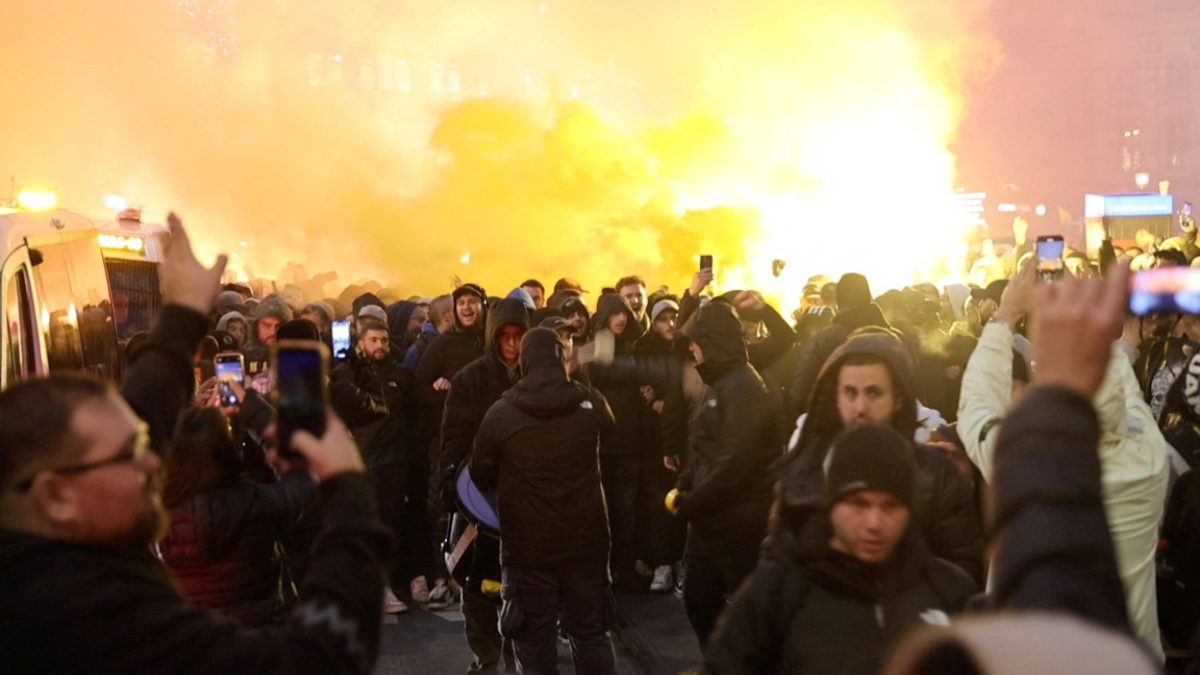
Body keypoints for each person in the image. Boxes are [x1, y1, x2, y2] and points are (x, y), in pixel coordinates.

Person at [0, 213, 390, 673]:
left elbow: (144, 407)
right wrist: (347, 492)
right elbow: (318, 658)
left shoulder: (65, 513)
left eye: (143, 440)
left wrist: (182, 315)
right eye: (130, 454)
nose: (152, 460)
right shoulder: (85, 618)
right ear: (55, 495)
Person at [957, 261, 1168, 657]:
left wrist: (1006, 316)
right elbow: (1128, 397)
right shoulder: (1148, 459)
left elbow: (976, 404)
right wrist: (1107, 342)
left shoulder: (1020, 460)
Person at [703, 424, 975, 675]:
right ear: (831, 503)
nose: (874, 523)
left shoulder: (949, 591)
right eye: (859, 504)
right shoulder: (777, 595)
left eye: (890, 506)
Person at [776, 330, 984, 582]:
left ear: (898, 399)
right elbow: (777, 562)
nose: (860, 407)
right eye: (850, 393)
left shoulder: (935, 473)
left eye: (873, 393)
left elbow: (963, 567)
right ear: (836, 397)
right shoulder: (806, 466)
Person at [472, 328, 617, 675]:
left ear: (524, 361)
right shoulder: (591, 402)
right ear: (559, 358)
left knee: (533, 642)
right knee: (591, 634)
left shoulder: (501, 412)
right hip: (586, 542)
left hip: (527, 549)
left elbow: (480, 472)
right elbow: (612, 445)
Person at [664, 302, 785, 648]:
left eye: (696, 342)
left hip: (737, 523)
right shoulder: (721, 384)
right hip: (711, 520)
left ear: (712, 341)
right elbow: (706, 447)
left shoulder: (744, 387)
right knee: (700, 602)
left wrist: (693, 502)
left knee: (737, 609)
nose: (691, 349)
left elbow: (736, 461)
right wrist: (686, 480)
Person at [160, 406, 317, 626]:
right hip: (260, 638)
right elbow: (303, 473)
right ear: (226, 448)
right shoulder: (256, 503)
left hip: (195, 640)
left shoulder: (158, 515)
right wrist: (254, 414)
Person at [440, 297, 529, 672]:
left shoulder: (542, 375)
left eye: (518, 336)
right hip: (478, 498)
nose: (511, 345)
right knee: (477, 588)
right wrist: (449, 484)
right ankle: (487, 658)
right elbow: (454, 438)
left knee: (525, 591)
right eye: (504, 336)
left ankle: (520, 659)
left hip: (529, 502)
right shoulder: (471, 379)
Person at [330, 316, 415, 614]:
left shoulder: (402, 375)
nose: (380, 346)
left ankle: (386, 586)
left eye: (384, 340)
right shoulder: (345, 374)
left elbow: (411, 417)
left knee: (389, 525)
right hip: (358, 462)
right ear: (359, 343)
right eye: (373, 340)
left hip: (392, 463)